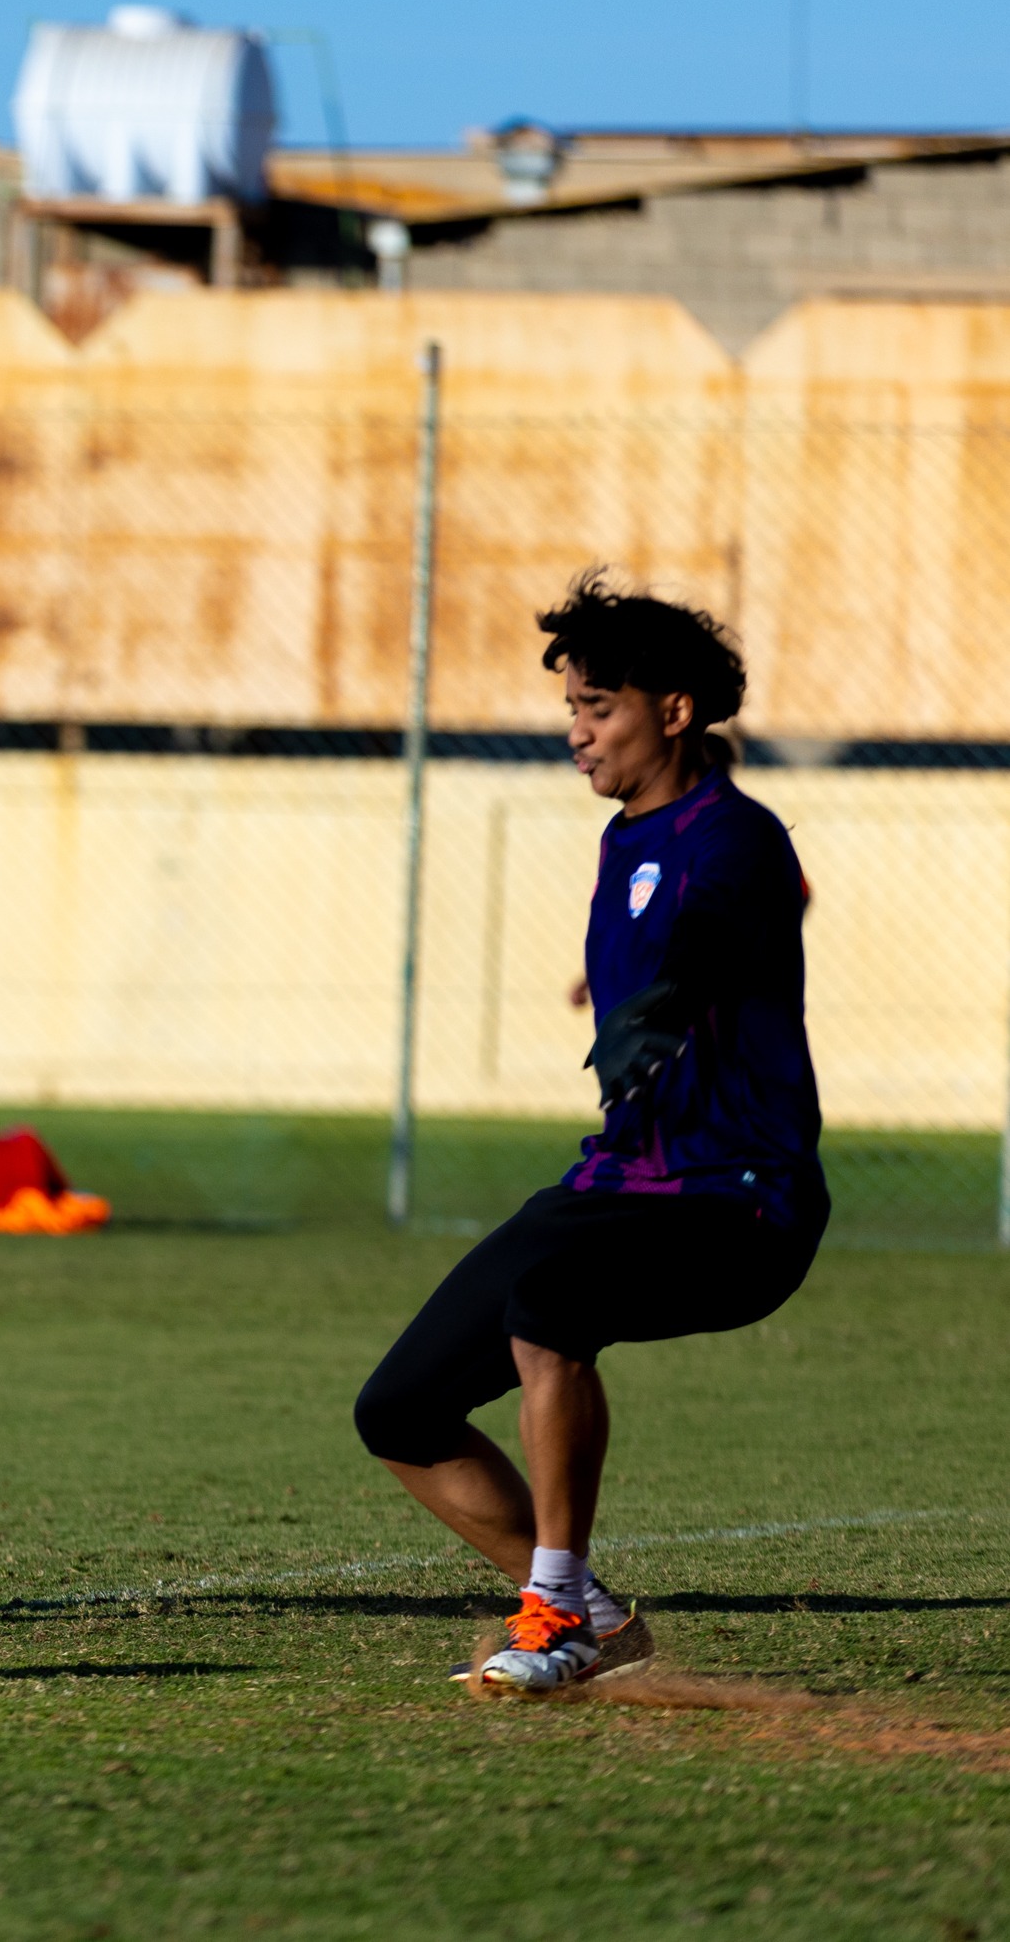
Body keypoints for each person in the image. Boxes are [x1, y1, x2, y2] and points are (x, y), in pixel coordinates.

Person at [353, 574, 827, 1695]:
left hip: (738, 1196)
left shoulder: (738, 833)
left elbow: (721, 916)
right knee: (399, 1409)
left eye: (598, 707)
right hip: (621, 1180)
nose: (576, 731)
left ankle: (552, 1613)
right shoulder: (628, 839)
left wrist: (667, 993)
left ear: (673, 711)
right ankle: (594, 1613)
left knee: (552, 1304)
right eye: (571, 708)